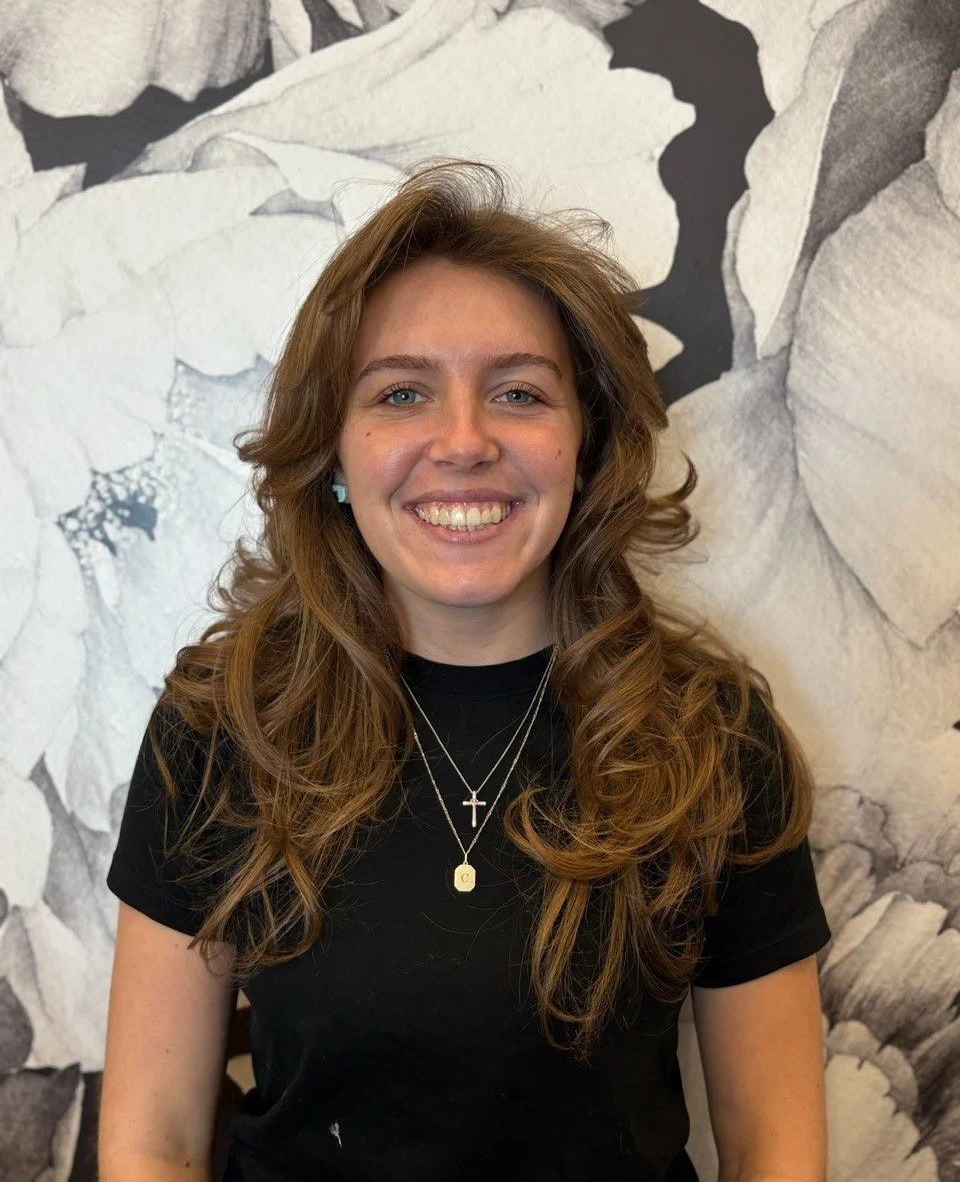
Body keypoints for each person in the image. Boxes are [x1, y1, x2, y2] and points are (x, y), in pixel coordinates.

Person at [99, 159, 831, 1182]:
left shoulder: (710, 734)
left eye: (518, 392)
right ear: (337, 453)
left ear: (587, 443)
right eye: (402, 392)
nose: (463, 441)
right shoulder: (224, 727)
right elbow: (153, 1144)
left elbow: (775, 1150)